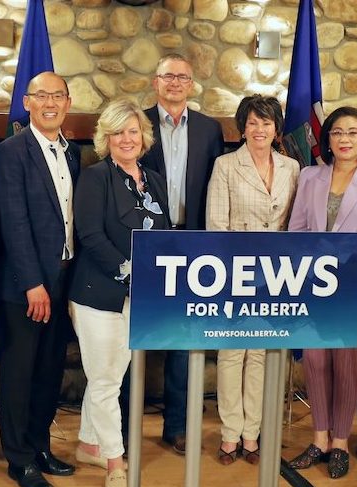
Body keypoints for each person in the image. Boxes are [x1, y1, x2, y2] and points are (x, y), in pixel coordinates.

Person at [287, 106, 357, 479]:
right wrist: (315, 273)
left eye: (352, 132)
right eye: (337, 132)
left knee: (348, 366)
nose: (344, 139)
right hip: (314, 288)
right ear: (327, 139)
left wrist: (338, 272)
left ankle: (339, 442)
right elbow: (297, 230)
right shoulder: (310, 176)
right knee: (315, 362)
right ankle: (318, 439)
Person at [124, 53, 224, 455]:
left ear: (192, 83)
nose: (175, 83)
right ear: (156, 81)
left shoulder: (209, 129)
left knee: (185, 339)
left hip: (193, 244)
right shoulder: (137, 124)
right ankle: (126, 427)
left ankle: (177, 426)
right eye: (168, 76)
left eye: (183, 77)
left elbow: (214, 185)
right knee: (133, 339)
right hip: (147, 243)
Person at [70, 99, 170, 487]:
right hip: (99, 294)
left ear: (143, 137)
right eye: (118, 132)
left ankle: (87, 443)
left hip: (140, 297)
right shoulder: (95, 178)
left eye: (133, 131)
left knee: (109, 373)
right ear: (106, 138)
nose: (126, 139)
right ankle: (113, 461)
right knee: (107, 378)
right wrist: (133, 272)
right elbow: (90, 236)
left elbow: (164, 234)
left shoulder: (156, 180)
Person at [0, 71, 80, 487]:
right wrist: (32, 283)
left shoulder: (74, 153)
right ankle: (19, 458)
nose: (50, 102)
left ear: (67, 102)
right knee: (20, 372)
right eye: (41, 95)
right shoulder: (11, 152)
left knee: (48, 372)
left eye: (57, 96)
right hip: (25, 287)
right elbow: (14, 221)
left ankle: (41, 445)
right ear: (26, 102)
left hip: (61, 279)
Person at [205, 95, 300, 466]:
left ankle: (252, 434)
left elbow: (296, 222)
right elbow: (217, 226)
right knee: (232, 355)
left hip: (277, 278)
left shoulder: (292, 167)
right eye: (253, 123)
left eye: (267, 123)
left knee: (259, 354)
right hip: (234, 276)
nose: (260, 129)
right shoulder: (226, 165)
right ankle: (229, 435)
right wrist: (232, 274)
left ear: (277, 129)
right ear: (242, 127)